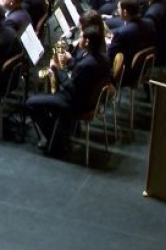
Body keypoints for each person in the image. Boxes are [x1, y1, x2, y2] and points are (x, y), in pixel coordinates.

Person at [25, 19, 110, 157]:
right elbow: (80, 76)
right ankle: (58, 133)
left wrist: (57, 69)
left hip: (75, 103)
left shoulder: (87, 64)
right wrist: (71, 62)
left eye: (81, 37)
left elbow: (70, 87)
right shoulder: (103, 58)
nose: (79, 39)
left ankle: (56, 139)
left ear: (87, 42)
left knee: (31, 103)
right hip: (91, 101)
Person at [108, 0, 155, 82]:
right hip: (144, 67)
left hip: (126, 73)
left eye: (118, 9)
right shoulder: (150, 23)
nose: (117, 11)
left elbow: (110, 56)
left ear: (125, 12)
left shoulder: (121, 33)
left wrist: (111, 42)